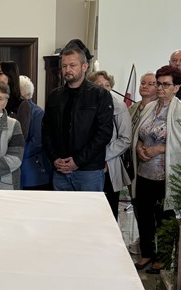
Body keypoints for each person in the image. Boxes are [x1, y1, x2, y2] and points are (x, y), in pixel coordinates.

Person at [132, 65, 181, 273]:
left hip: (165, 174)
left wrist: (158, 148)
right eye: (158, 84)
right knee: (143, 214)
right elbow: (139, 133)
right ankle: (147, 253)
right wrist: (139, 147)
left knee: (163, 217)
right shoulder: (150, 106)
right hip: (144, 170)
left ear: (176, 87)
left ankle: (164, 257)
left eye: (166, 85)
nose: (160, 88)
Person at [42, 41, 113, 191]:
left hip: (89, 171)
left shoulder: (100, 95)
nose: (67, 70)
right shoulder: (55, 96)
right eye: (64, 66)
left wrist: (78, 161)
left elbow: (104, 133)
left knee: (89, 207)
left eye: (72, 65)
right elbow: (46, 131)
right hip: (60, 169)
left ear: (84, 67)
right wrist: (54, 158)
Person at [89, 71, 132, 219]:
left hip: (109, 164)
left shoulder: (119, 106)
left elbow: (125, 139)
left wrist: (102, 156)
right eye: (99, 85)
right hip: (86, 164)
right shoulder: (86, 106)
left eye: (107, 85)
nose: (104, 88)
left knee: (109, 212)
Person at [18, 75, 51, 190]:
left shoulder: (37, 112)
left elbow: (37, 142)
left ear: (22, 92)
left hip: (32, 169)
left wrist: (16, 154)